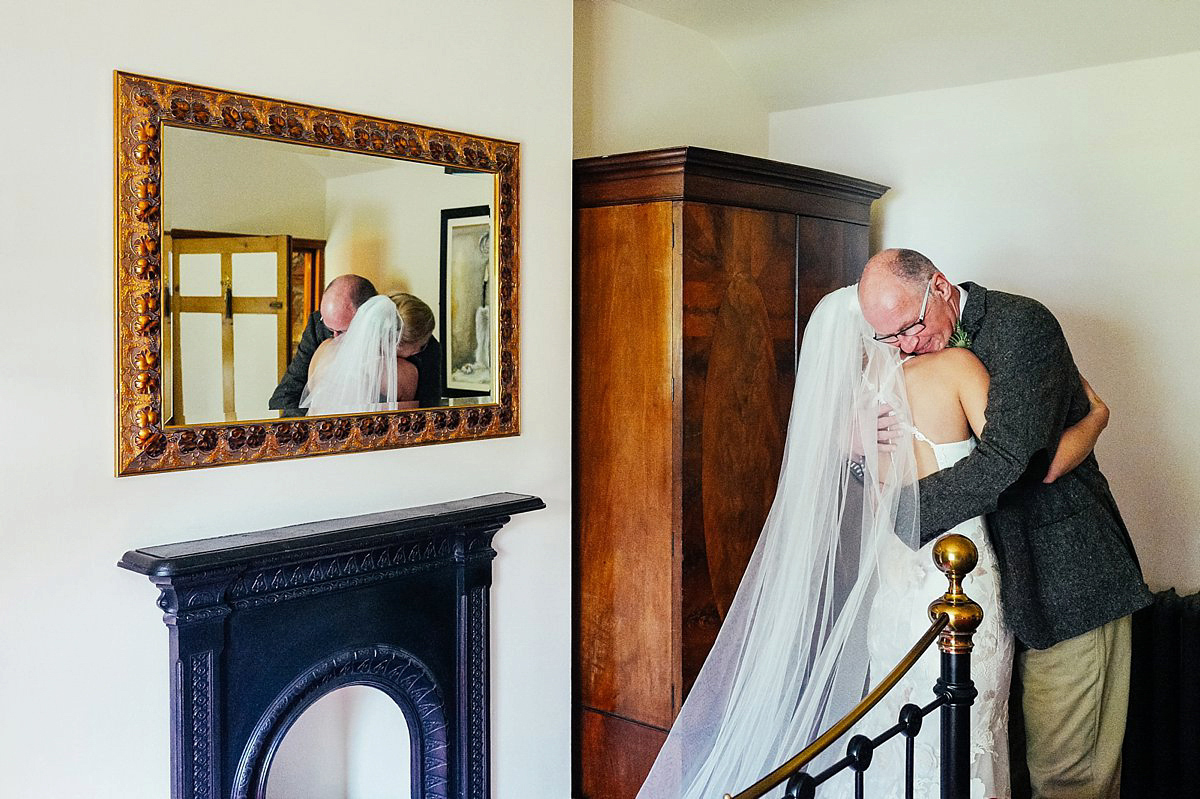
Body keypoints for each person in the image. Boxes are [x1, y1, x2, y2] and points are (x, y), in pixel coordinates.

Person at [857, 249, 1152, 799]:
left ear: (941, 288)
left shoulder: (1021, 323)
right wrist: (857, 454)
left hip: (1068, 579)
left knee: (1068, 777)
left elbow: (1012, 462)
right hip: (994, 591)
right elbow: (893, 454)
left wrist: (905, 512)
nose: (905, 347)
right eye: (889, 338)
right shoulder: (915, 359)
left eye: (911, 328)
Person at [269, 276, 443, 414]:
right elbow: (285, 395)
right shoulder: (320, 332)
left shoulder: (423, 350)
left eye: (344, 331)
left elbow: (428, 410)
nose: (336, 338)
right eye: (329, 328)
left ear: (366, 316)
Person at [300, 293, 420, 415]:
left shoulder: (324, 348)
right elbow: (405, 425)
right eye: (421, 346)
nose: (417, 352)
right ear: (398, 342)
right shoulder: (406, 373)